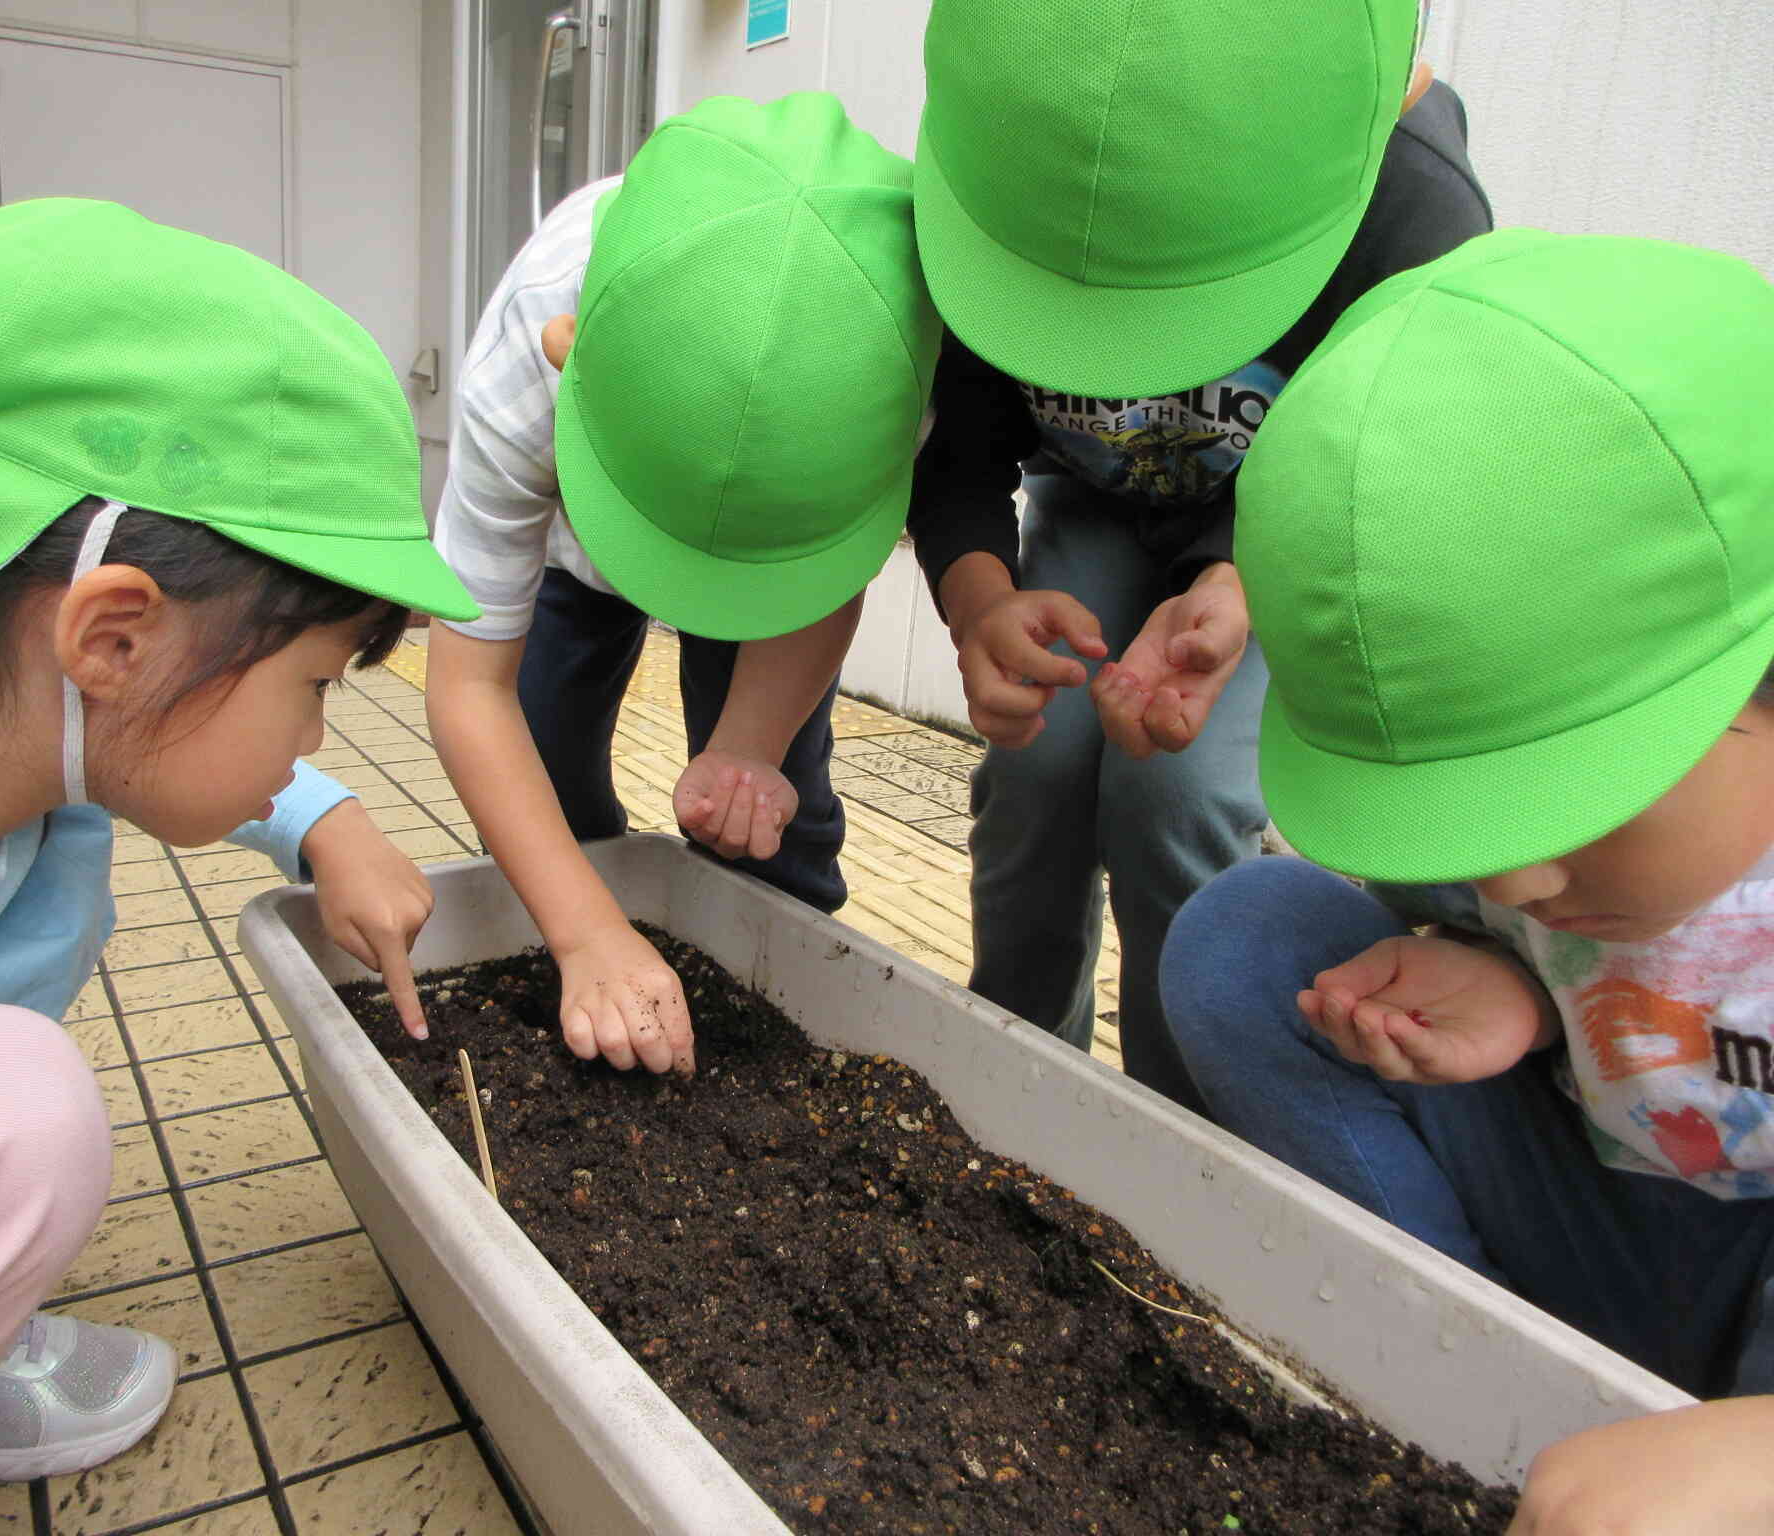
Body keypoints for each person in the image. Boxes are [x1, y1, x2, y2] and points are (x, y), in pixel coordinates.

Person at [0, 197, 479, 1535]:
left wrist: (325, 822)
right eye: (313, 685)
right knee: (8, 1113)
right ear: (113, 639)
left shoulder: (13, 745)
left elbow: (181, 742)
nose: (312, 734)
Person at [1158, 229, 1774, 1532]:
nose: (1514, 876)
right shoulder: (1519, 883)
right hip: (1593, 1210)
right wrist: (1525, 995)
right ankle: (1452, 1390)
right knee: (1246, 937)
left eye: (1577, 789)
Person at [904, 0, 1491, 1113]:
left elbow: (1383, 464)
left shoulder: (1405, 199)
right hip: (1094, 500)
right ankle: (1011, 1098)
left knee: (1176, 795)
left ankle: (1184, 1132)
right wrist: (978, 599)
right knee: (1034, 767)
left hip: (1293, 532)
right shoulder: (999, 178)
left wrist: (1238, 574)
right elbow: (963, 444)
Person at [427, 92, 941, 1080]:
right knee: (541, 762)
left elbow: (825, 580)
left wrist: (748, 748)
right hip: (568, 565)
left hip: (776, 579)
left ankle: (787, 1021)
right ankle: (582, 960)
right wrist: (585, 933)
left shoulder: (888, 360)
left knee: (777, 809)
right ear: (571, 360)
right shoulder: (529, 353)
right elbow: (467, 686)